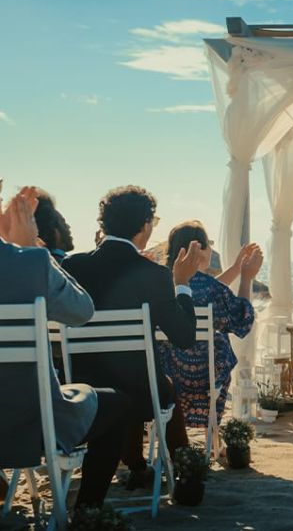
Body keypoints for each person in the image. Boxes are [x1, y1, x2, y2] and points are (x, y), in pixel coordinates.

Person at [0, 185, 130, 510]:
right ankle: (87, 512)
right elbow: (82, 311)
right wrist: (28, 249)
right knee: (119, 406)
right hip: (28, 425)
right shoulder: (25, 262)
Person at [62, 185, 200, 489]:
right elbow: (184, 337)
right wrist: (182, 284)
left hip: (81, 390)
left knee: (147, 381)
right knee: (161, 385)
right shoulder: (153, 275)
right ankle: (184, 469)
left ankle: (137, 466)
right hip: (141, 396)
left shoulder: (71, 266)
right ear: (146, 226)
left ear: (103, 224)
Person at [158, 221, 261, 430]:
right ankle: (213, 433)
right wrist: (247, 279)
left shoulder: (161, 284)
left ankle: (169, 428)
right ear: (201, 251)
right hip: (208, 376)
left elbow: (207, 290)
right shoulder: (209, 288)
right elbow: (242, 319)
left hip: (168, 377)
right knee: (222, 348)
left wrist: (235, 269)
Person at [33, 189, 74, 263]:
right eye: (63, 223)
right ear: (55, 232)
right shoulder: (68, 265)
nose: (68, 227)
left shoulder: (30, 262)